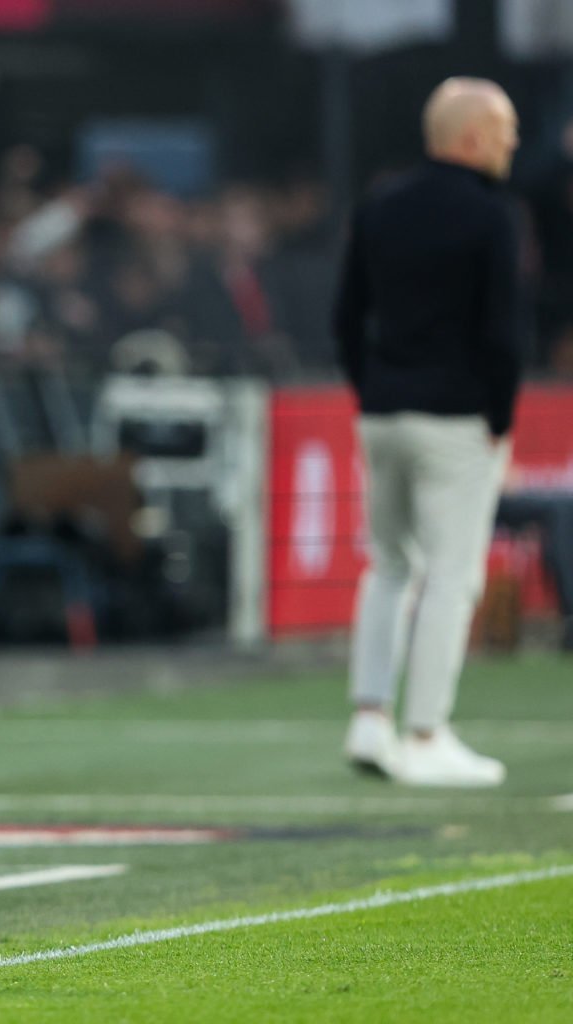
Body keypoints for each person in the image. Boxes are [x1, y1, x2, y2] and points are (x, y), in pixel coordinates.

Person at [335, 77, 524, 787]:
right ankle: (425, 733)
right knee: (451, 574)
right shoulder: (489, 214)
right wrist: (499, 422)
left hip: (381, 412)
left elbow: (345, 316)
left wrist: (373, 389)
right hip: (454, 417)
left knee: (388, 566)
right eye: (502, 128)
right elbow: (503, 332)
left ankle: (369, 718)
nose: (511, 141)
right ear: (470, 137)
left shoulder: (380, 203)